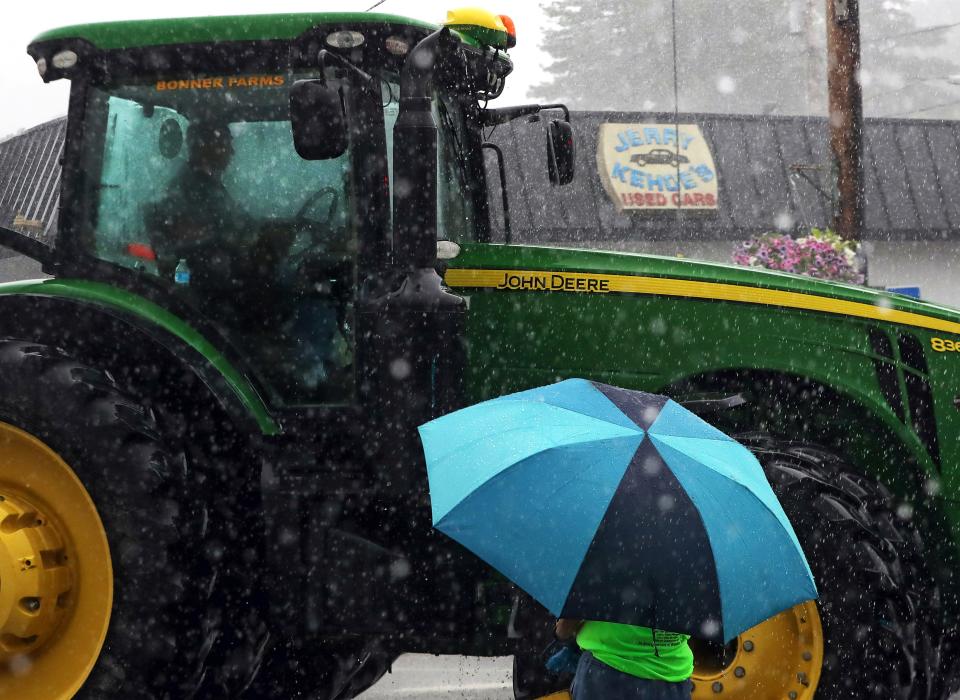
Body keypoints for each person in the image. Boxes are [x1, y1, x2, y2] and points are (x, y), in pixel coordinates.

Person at [555, 618, 693, 699]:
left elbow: (566, 627)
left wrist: (559, 632)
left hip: (606, 672)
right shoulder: (690, 571)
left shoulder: (604, 568)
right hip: (673, 677)